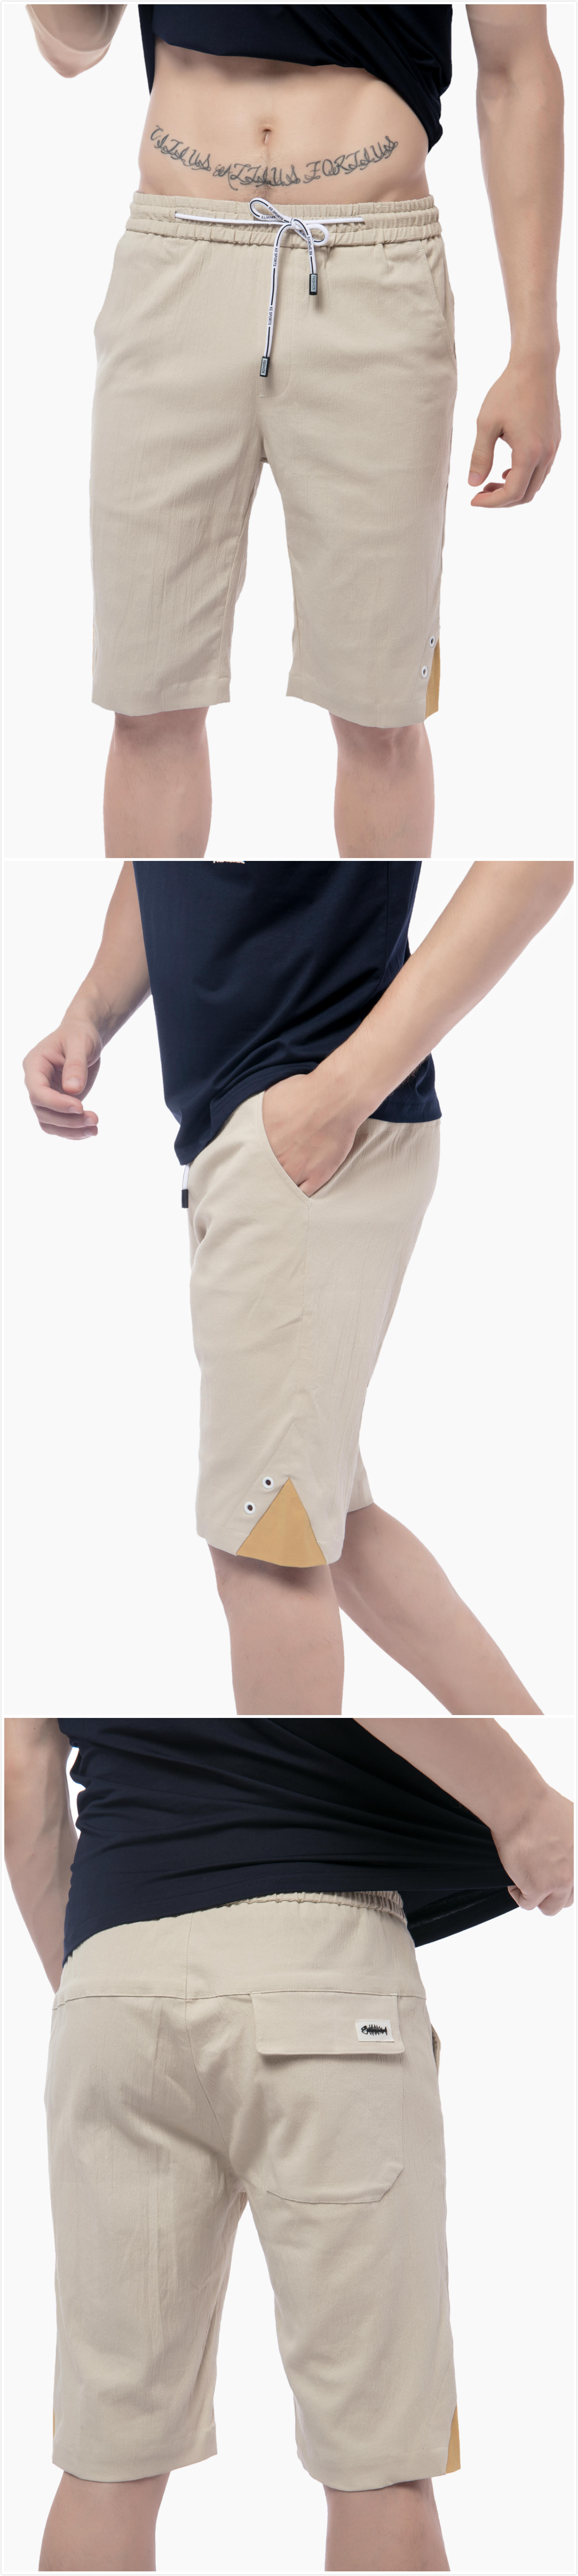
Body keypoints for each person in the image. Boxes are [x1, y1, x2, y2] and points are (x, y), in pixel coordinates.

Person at [4, 1714, 573, 2575]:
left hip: (111, 1974)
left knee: (105, 2458)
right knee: (378, 2463)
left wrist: (104, 1991)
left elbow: (22, 1780)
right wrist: (525, 1808)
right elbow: (356, 1681)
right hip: (318, 1957)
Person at [22, 858, 573, 1718]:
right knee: (328, 1525)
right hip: (263, 1137)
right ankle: (549, 1778)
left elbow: (537, 859)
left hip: (307, 1134)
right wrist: (90, 1009)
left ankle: (291, 1810)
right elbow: (162, 860)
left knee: (263, 1546)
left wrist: (339, 1096)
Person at [26, 6, 563, 860]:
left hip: (370, 274)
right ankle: (161, 946)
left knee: (380, 712)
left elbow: (515, 71)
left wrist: (534, 351)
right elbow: (71, 46)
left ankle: (374, 950)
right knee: (148, 701)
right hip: (176, 265)